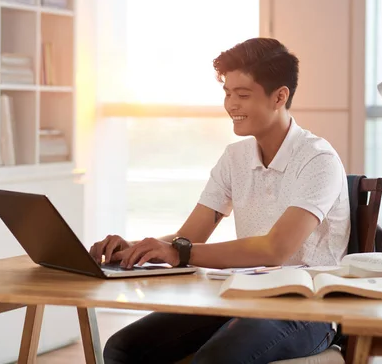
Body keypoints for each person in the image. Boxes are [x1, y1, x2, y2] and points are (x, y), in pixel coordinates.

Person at [90, 37, 351, 364]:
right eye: (227, 94)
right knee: (123, 347)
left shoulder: (318, 160)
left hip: (306, 308)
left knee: (215, 359)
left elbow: (275, 249)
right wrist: (132, 247)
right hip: (242, 296)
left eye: (242, 95)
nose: (231, 105)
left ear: (279, 97)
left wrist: (179, 252)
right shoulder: (235, 157)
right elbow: (190, 238)